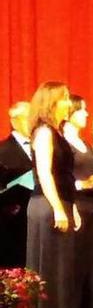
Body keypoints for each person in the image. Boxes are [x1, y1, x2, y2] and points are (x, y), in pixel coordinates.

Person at [25, 82, 79, 308]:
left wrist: (73, 207)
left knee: (63, 270)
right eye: (65, 98)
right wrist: (58, 207)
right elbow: (45, 172)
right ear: (52, 102)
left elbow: (66, 175)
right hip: (47, 205)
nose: (69, 103)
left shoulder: (58, 132)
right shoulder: (44, 132)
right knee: (51, 268)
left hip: (61, 202)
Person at [62, 95, 93, 308]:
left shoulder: (82, 142)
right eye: (83, 111)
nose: (87, 115)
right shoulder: (61, 142)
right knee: (70, 268)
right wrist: (82, 183)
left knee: (83, 270)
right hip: (74, 206)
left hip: (91, 208)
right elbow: (60, 177)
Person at [0, 101, 33, 268]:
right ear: (14, 121)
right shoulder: (2, 151)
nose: (33, 123)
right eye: (28, 118)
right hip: (14, 225)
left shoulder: (43, 146)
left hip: (40, 218)